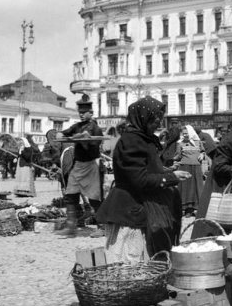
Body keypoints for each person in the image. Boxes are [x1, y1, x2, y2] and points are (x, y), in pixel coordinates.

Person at [96, 96, 191, 262]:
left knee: (149, 258)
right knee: (132, 259)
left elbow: (147, 168)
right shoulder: (131, 141)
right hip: (131, 207)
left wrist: (166, 172)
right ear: (143, 118)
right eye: (154, 119)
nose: (158, 123)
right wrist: (170, 178)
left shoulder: (144, 138)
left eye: (160, 119)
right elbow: (138, 179)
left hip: (144, 202)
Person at [194, 108, 232, 232]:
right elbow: (220, 167)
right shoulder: (230, 140)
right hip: (220, 186)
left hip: (231, 184)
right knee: (218, 225)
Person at [57, 95, 103, 236]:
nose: (82, 115)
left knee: (94, 198)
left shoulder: (95, 128)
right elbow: (66, 133)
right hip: (77, 165)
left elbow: (95, 147)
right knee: (70, 194)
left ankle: (102, 227)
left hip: (90, 165)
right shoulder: (77, 126)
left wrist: (85, 140)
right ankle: (71, 226)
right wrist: (60, 133)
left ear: (91, 113)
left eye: (84, 113)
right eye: (80, 113)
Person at [174, 125, 205, 215]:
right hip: (185, 167)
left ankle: (196, 209)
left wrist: (202, 155)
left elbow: (203, 151)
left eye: (186, 133)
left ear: (191, 133)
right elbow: (178, 156)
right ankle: (187, 209)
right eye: (183, 134)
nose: (185, 135)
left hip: (196, 168)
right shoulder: (180, 143)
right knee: (186, 189)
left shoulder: (198, 142)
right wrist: (172, 159)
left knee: (196, 188)